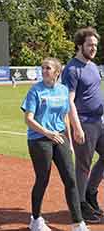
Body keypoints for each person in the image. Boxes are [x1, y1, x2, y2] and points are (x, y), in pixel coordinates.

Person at [22, 58, 89, 231]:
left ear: (57, 72)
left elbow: (64, 117)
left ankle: (78, 223)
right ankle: (35, 220)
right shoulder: (35, 90)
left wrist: (70, 143)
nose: (44, 71)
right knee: (43, 179)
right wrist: (47, 133)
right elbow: (28, 119)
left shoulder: (63, 90)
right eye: (43, 68)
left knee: (71, 179)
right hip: (39, 139)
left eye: (48, 68)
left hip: (60, 137)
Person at [61, 27, 104, 223]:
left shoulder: (93, 66)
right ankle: (79, 204)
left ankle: (90, 193)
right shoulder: (71, 69)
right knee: (83, 166)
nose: (93, 48)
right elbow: (69, 101)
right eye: (90, 45)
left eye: (95, 45)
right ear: (80, 45)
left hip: (99, 122)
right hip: (84, 123)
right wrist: (76, 127)